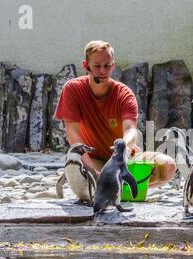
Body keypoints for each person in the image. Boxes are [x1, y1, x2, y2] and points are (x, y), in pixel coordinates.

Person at [54, 40, 176, 188]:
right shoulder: (72, 89)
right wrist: (92, 170)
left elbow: (130, 129)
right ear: (86, 66)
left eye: (107, 65)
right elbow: (72, 133)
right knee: (81, 171)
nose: (103, 71)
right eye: (97, 66)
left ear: (113, 65)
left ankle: (123, 189)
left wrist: (125, 146)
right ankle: (111, 186)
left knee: (168, 166)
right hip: (92, 159)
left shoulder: (124, 94)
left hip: (123, 159)